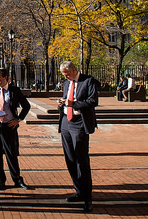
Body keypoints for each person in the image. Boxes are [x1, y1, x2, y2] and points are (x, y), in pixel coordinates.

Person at [57, 61, 98, 212]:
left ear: (74, 70)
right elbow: (67, 99)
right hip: (66, 123)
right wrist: (62, 104)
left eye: (67, 73)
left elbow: (93, 101)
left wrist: (73, 103)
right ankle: (78, 191)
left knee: (82, 160)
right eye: (63, 74)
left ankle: (88, 197)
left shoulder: (88, 81)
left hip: (80, 123)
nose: (65, 77)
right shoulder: (67, 83)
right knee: (70, 159)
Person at [0, 68, 32, 191]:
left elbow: (26, 106)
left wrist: (18, 119)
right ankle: (0, 180)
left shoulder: (14, 90)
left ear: (6, 78)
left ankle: (17, 179)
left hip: (9, 126)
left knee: (11, 154)